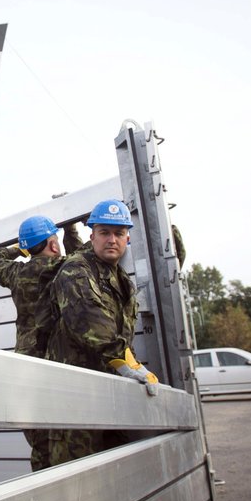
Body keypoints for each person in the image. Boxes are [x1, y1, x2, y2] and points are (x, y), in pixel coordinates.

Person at [34, 200, 160, 467]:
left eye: (119, 233)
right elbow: (91, 323)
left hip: (110, 396)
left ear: (128, 237)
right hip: (74, 401)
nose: (111, 240)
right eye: (104, 233)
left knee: (114, 478)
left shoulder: (120, 278)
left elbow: (123, 335)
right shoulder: (76, 270)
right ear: (92, 236)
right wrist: (129, 365)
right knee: (75, 483)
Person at [0, 216, 83, 470]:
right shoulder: (63, 268)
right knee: (66, 434)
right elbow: (82, 255)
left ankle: (42, 482)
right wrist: (71, 229)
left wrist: (20, 248)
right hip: (58, 362)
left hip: (26, 364)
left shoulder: (17, 273)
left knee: (39, 439)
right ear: (52, 245)